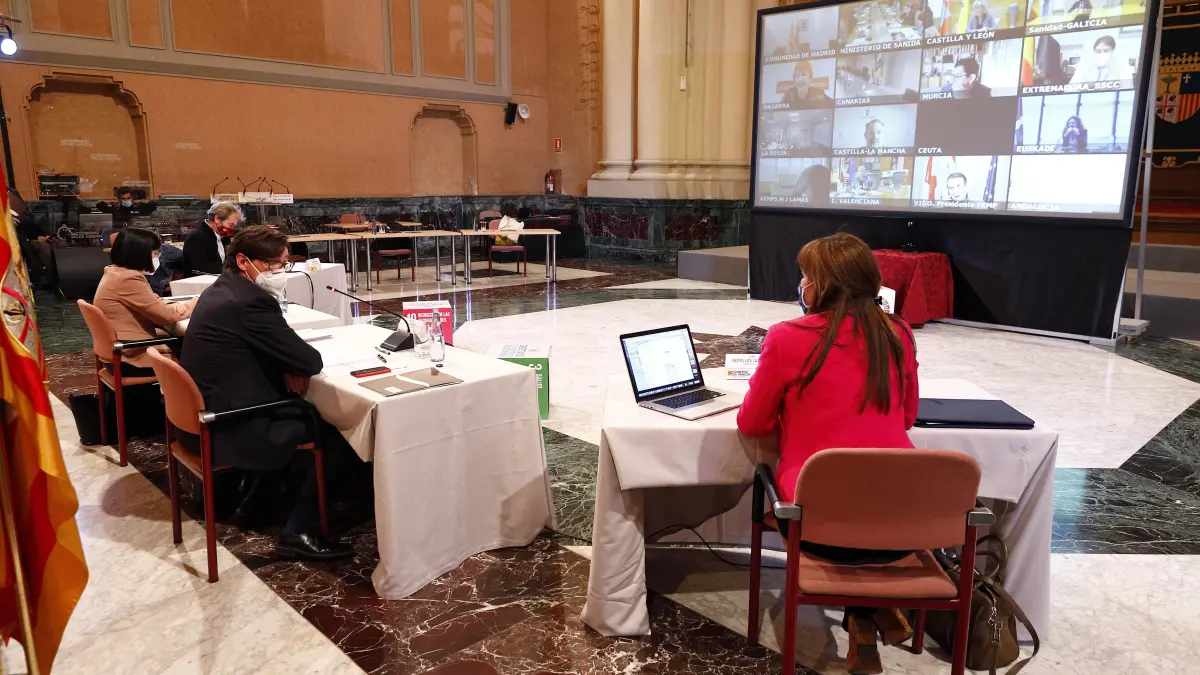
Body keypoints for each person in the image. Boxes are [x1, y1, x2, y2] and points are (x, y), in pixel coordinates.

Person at [738, 233, 919, 675]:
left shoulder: (787, 338)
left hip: (817, 527)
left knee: (822, 505)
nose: (801, 284)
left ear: (821, 286)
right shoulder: (898, 332)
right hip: (903, 528)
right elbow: (909, 416)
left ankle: (866, 615)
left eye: (805, 276)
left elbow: (752, 424)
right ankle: (866, 615)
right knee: (859, 509)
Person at [180, 226, 354, 560]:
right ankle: (298, 529)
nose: (280, 271)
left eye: (284, 263)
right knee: (337, 428)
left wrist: (284, 364)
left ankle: (258, 500)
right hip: (233, 425)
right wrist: (289, 364)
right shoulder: (250, 302)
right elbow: (309, 361)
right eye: (273, 264)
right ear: (243, 261)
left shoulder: (222, 289)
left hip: (203, 416)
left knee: (305, 410)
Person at [92, 228, 195, 373]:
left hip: (118, 351)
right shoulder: (128, 279)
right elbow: (166, 316)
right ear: (140, 254)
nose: (157, 257)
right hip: (131, 356)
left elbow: (152, 304)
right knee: (198, 357)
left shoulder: (115, 272)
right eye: (155, 253)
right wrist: (195, 302)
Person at [183, 201, 241, 276]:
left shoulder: (225, 238)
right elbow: (199, 267)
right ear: (217, 219)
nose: (232, 228)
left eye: (234, 225)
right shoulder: (196, 237)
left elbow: (229, 261)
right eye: (231, 224)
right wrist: (229, 270)